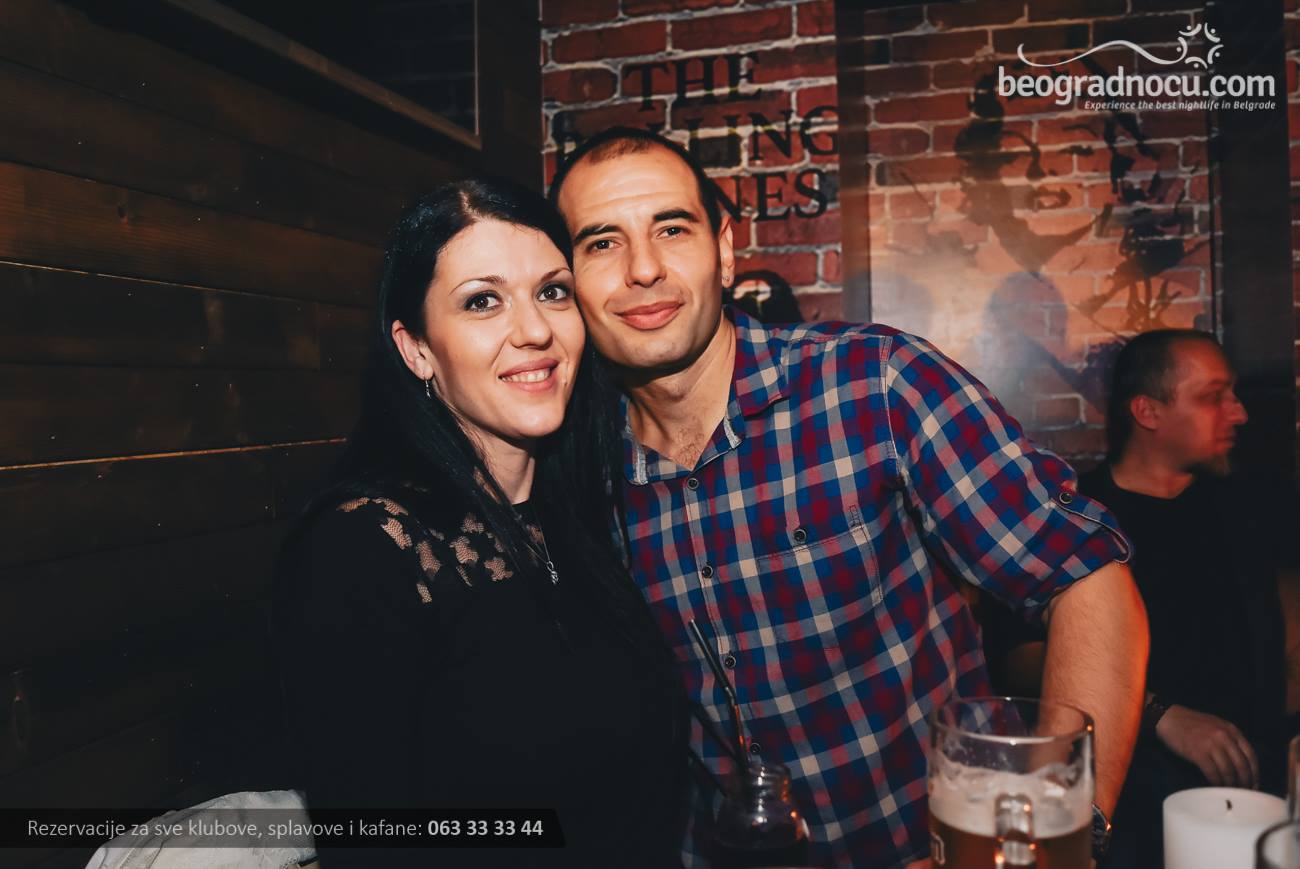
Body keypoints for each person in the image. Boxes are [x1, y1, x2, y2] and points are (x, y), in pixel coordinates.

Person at [548, 127, 1149, 869]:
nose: (643, 268)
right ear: (568, 281)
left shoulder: (875, 383)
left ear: (724, 251)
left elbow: (1085, 577)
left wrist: (1056, 835)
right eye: (602, 242)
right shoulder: (576, 472)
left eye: (672, 229)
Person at [274, 178, 686, 868]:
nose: (535, 330)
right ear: (416, 349)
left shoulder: (568, 513)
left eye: (552, 291)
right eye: (482, 301)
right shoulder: (364, 548)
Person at [1077, 329, 1288, 868]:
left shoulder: (1245, 504)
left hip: (1259, 795)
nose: (1238, 412)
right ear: (1148, 411)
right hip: (1134, 814)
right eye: (1213, 396)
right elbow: (1024, 662)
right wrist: (1161, 715)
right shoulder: (1083, 520)